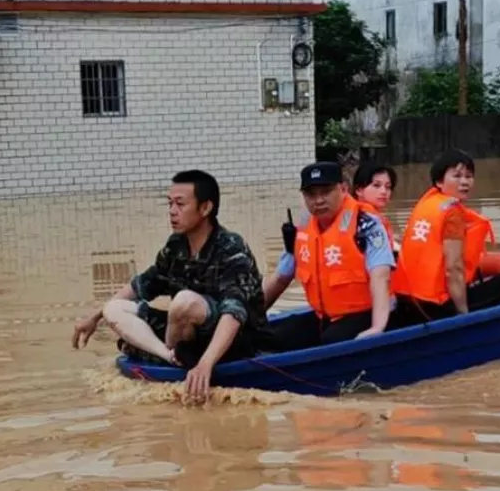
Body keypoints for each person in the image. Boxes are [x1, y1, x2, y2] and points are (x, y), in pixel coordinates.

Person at [71, 169, 269, 403]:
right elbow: (144, 283)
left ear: (205, 208)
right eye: (169, 204)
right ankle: (169, 357)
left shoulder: (231, 248)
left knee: (184, 301)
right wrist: (95, 317)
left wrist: (206, 364)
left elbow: (234, 312)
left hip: (234, 340)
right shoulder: (176, 246)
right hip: (184, 337)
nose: (172, 212)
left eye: (180, 204)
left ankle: (170, 356)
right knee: (114, 308)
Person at [262, 161, 395, 348]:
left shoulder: (365, 223)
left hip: (365, 312)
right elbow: (281, 278)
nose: (318, 201)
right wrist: (249, 317)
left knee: (332, 340)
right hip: (323, 316)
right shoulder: (303, 228)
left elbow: (380, 276)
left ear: (343, 189)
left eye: (326, 192)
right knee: (270, 338)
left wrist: (377, 327)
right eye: (311, 194)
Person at [391, 150, 500, 325]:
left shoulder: (427, 204)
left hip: (406, 301)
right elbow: (453, 268)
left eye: (468, 176)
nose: (464, 182)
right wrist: (463, 314)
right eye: (457, 176)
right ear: (439, 181)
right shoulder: (452, 213)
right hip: (432, 308)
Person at [351, 161, 400, 254]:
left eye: (388, 187)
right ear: (359, 190)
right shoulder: (365, 220)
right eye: (376, 185)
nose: (384, 191)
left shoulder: (353, 213)